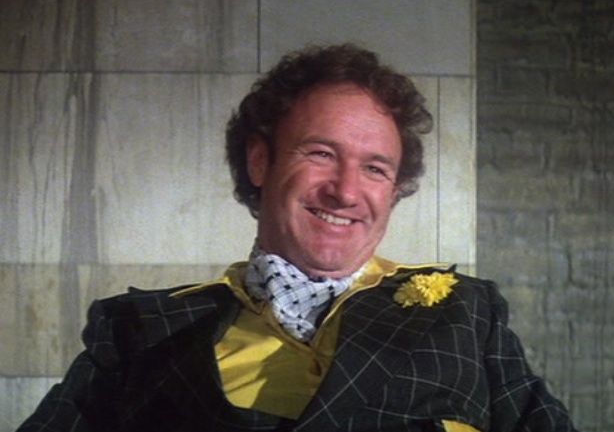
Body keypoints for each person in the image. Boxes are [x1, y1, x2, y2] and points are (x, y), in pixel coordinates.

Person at [18, 44, 578, 432]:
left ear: (394, 190)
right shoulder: (139, 331)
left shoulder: (467, 315)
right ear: (260, 161)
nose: (345, 191)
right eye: (321, 153)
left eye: (375, 168)